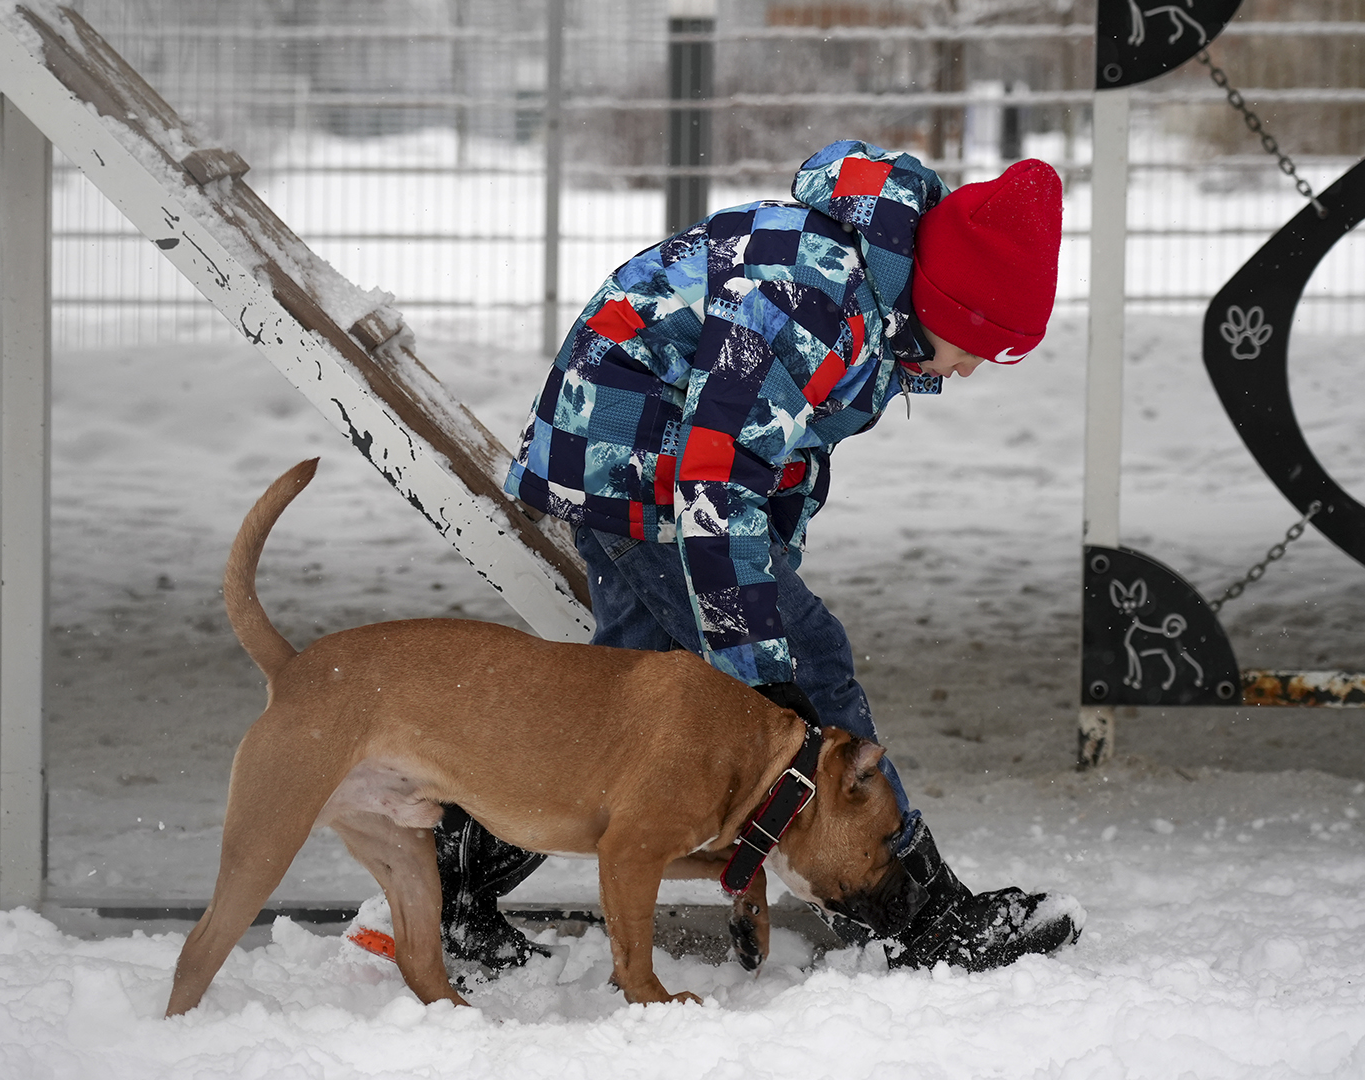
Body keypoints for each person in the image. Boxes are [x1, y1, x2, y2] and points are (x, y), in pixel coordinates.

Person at [434, 139, 1077, 973]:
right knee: (814, 661)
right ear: (949, 305)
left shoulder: (881, 306)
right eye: (981, 350)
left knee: (618, 694)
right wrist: (760, 660)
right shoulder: (805, 303)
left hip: (661, 460)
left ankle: (459, 887)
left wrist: (770, 566)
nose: (971, 373)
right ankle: (924, 915)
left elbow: (789, 453)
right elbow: (715, 478)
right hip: (631, 458)